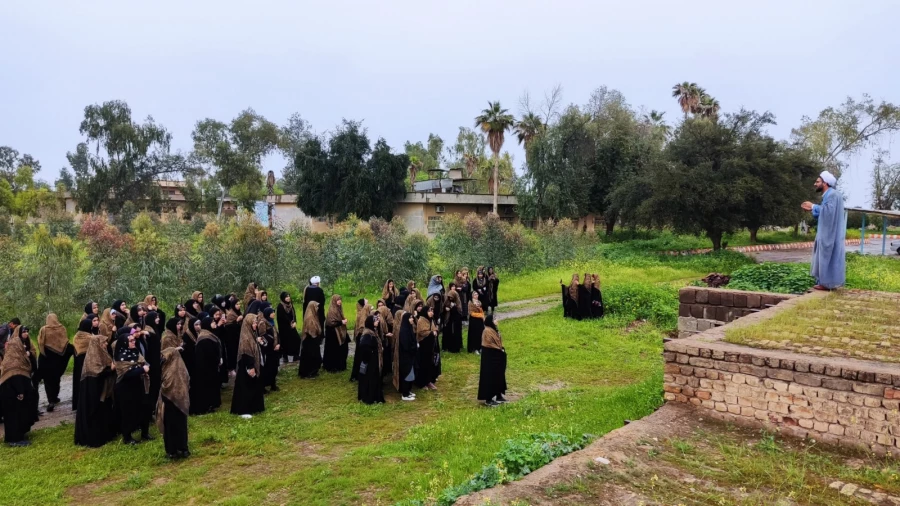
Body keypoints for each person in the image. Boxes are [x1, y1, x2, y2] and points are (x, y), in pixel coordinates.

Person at [802, 170, 846, 290]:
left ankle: (826, 283)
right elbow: (825, 211)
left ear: (825, 183)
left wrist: (813, 206)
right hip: (829, 232)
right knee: (827, 255)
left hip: (829, 233)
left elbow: (828, 213)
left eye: (817, 181)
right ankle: (825, 282)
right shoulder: (831, 194)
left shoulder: (832, 195)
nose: (815, 184)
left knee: (827, 254)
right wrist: (813, 209)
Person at [74, 330, 116, 447]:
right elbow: (97, 373)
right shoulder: (92, 359)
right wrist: (110, 369)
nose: (106, 344)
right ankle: (94, 438)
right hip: (93, 392)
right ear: (97, 344)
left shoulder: (102, 354)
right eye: (103, 343)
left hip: (103, 391)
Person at [0, 327, 38, 446]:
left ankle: (19, 435)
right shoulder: (13, 361)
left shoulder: (18, 358)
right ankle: (14, 440)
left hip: (14, 392)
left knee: (19, 413)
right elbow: (15, 376)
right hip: (12, 393)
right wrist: (20, 392)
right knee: (13, 416)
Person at [113, 328, 152, 445]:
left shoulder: (135, 352)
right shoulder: (120, 357)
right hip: (126, 388)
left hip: (138, 385)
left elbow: (143, 362)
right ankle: (127, 437)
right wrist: (141, 369)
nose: (133, 342)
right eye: (130, 341)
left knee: (144, 408)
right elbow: (125, 374)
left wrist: (144, 367)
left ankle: (145, 433)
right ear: (125, 342)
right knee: (128, 412)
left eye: (133, 340)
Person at [157, 336, 190, 459]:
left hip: (169, 401)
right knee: (181, 425)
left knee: (170, 427)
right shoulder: (182, 369)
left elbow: (165, 386)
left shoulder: (168, 371)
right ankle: (183, 448)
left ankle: (172, 451)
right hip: (181, 403)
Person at [37, 313, 73, 412]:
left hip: (47, 358)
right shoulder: (62, 328)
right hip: (59, 359)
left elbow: (40, 342)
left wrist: (43, 352)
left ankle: (51, 400)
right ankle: (55, 396)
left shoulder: (44, 329)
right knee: (56, 378)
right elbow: (65, 342)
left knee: (48, 381)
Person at [231, 314, 264, 416]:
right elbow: (246, 353)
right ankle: (243, 410)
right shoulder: (246, 338)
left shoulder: (252, 334)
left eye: (256, 322)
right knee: (246, 388)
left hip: (251, 364)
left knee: (253, 386)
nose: (255, 325)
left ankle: (254, 407)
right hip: (247, 367)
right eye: (254, 323)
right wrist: (250, 367)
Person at [191, 317, 222, 414]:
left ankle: (211, 404)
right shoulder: (205, 337)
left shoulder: (209, 334)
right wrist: (217, 359)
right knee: (207, 386)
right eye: (212, 322)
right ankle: (207, 405)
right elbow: (209, 353)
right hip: (206, 367)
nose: (214, 323)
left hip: (210, 366)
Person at [477, 315, 508, 407]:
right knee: (490, 376)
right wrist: (499, 349)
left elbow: (498, 342)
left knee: (499, 374)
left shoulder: (494, 329)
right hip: (490, 357)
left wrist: (501, 349)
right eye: (494, 319)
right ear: (490, 321)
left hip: (496, 354)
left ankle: (498, 395)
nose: (496, 320)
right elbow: (489, 344)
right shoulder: (486, 331)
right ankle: (488, 398)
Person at [356, 314, 385, 405]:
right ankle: (370, 397)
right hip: (371, 362)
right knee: (370, 379)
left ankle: (375, 396)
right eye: (375, 320)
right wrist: (373, 353)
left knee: (375, 378)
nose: (377, 321)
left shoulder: (373, 332)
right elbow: (364, 347)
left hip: (374, 360)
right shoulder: (368, 334)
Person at [72, 316, 97, 411]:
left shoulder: (76, 336)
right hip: (87, 363)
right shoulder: (90, 338)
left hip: (78, 364)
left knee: (78, 384)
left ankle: (77, 404)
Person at [394, 310, 418, 401]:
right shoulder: (404, 331)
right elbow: (406, 345)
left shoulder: (409, 328)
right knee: (407, 374)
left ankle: (408, 390)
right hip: (406, 357)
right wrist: (414, 347)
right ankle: (405, 394)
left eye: (412, 317)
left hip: (410, 355)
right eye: (410, 318)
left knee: (411, 373)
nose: (412, 319)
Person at [415, 303, 438, 391]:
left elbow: (434, 328)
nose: (431, 312)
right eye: (429, 311)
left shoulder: (430, 320)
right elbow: (421, 332)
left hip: (430, 345)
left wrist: (435, 330)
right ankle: (422, 382)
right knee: (423, 364)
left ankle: (428, 381)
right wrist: (431, 333)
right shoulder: (421, 320)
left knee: (429, 363)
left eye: (432, 311)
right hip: (423, 345)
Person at [323, 295, 349, 373]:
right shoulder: (332, 310)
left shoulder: (339, 309)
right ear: (334, 301)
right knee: (334, 351)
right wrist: (341, 322)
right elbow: (330, 322)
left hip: (339, 331)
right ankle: (333, 367)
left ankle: (341, 366)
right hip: (333, 334)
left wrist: (342, 321)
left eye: (340, 299)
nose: (339, 301)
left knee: (343, 349)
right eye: (338, 300)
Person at [298, 301, 323, 379]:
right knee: (310, 357)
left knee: (314, 356)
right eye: (316, 306)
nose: (317, 308)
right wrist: (316, 335)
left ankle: (313, 371)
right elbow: (311, 330)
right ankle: (308, 373)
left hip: (313, 340)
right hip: (310, 340)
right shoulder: (310, 317)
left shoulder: (314, 315)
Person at [350, 299, 371, 381]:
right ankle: (359, 375)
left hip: (360, 336)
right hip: (362, 336)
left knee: (359, 356)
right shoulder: (363, 314)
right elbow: (362, 327)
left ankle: (357, 375)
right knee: (361, 357)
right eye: (366, 303)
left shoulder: (360, 312)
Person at [259, 307, 280, 392]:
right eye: (272, 312)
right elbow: (262, 336)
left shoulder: (272, 322)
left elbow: (276, 334)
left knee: (274, 367)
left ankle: (273, 384)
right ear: (268, 314)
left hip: (275, 348)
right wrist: (272, 344)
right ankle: (264, 386)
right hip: (268, 350)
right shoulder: (263, 323)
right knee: (267, 368)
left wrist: (278, 343)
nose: (273, 313)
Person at [276, 292, 300, 363]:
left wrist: (295, 322)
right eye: (286, 297)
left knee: (297, 339)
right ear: (283, 298)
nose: (288, 298)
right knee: (285, 342)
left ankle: (295, 356)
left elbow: (294, 314)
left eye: (289, 296)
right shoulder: (280, 306)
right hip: (284, 328)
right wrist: (290, 323)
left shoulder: (290, 305)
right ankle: (285, 356)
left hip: (291, 326)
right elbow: (282, 317)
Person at [223, 297, 243, 373]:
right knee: (232, 352)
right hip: (231, 337)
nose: (238, 306)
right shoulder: (231, 314)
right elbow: (228, 326)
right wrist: (237, 321)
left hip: (237, 336)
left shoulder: (238, 312)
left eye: (239, 304)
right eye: (237, 304)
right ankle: (232, 368)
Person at [442, 285, 463, 353]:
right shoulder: (447, 301)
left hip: (455, 320)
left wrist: (454, 307)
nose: (450, 298)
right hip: (448, 320)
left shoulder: (457, 301)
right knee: (447, 333)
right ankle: (447, 347)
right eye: (449, 297)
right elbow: (443, 308)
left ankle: (455, 348)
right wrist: (446, 309)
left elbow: (459, 311)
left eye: (452, 297)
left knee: (456, 333)